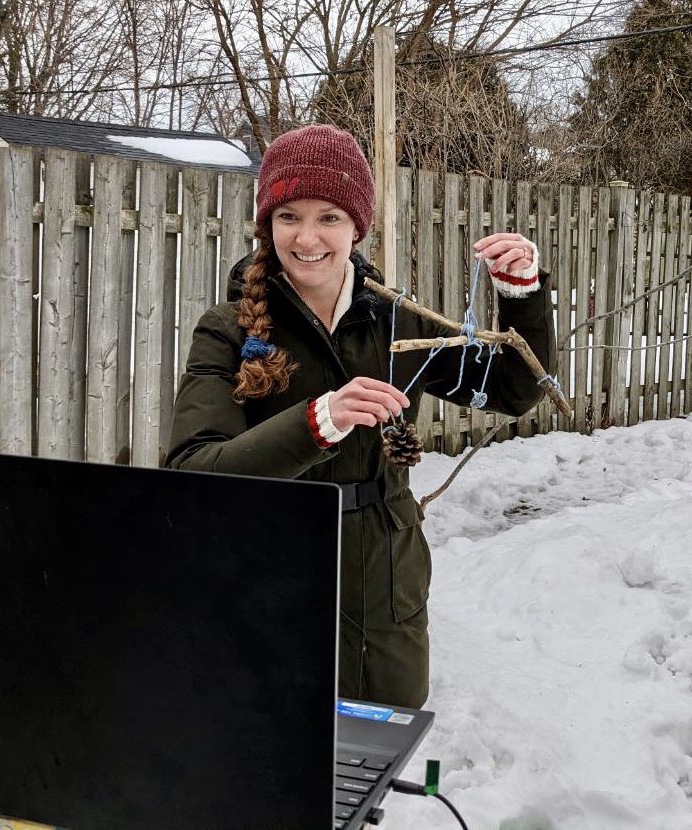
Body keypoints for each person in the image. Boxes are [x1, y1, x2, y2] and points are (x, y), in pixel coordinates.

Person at [165, 123, 556, 708]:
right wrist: (315, 422)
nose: (307, 237)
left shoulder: (399, 321)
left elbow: (512, 391)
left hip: (384, 584)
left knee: (376, 751)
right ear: (268, 226)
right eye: (289, 216)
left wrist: (522, 298)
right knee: (277, 751)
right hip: (268, 579)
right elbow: (195, 472)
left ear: (356, 226)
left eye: (329, 217)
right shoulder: (226, 330)